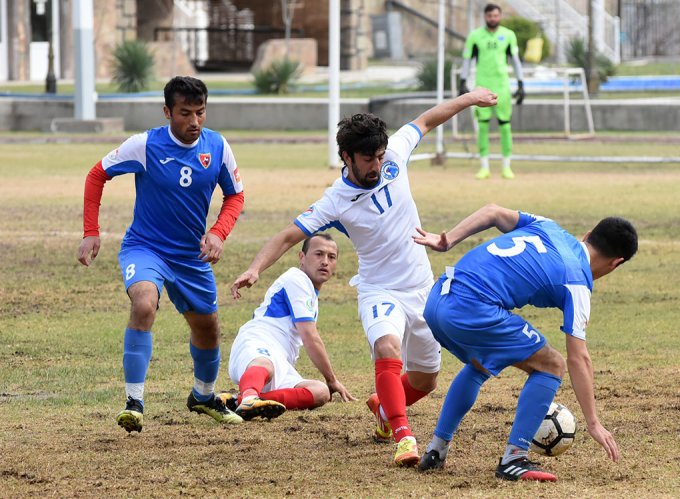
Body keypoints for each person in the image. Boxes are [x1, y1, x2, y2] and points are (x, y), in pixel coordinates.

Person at [230, 87, 498, 466]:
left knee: (425, 380)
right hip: (379, 289)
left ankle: (383, 408)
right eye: (368, 159)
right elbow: (289, 235)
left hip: (422, 288)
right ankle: (404, 437)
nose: (376, 165)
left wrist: (470, 98)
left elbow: (426, 120)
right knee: (387, 348)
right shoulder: (335, 200)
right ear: (347, 157)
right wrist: (255, 268)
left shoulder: (394, 157)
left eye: (379, 156)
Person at [412, 204, 637, 481]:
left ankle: (436, 450)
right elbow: (579, 358)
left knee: (482, 362)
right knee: (552, 365)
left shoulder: (547, 225)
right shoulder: (578, 282)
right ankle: (514, 458)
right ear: (616, 263)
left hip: (438, 299)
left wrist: (447, 240)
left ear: (588, 234)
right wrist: (594, 423)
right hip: (471, 308)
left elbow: (493, 211)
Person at [77, 76, 246, 432]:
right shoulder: (145, 145)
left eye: (200, 112)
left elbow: (235, 196)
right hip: (146, 247)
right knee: (144, 304)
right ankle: (134, 403)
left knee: (208, 329)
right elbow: (97, 174)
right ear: (167, 112)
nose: (195, 121)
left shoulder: (217, 146)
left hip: (190, 257)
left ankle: (203, 397)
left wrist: (218, 233)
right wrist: (91, 231)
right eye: (185, 113)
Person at [227, 233, 356, 420]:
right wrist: (332, 379)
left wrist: (328, 384)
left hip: (280, 360)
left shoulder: (310, 290)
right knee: (265, 365)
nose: (325, 262)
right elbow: (310, 337)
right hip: (257, 343)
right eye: (319, 254)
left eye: (331, 257)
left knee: (320, 392)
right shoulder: (296, 279)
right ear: (302, 257)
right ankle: (249, 397)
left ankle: (236, 401)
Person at [459, 3, 525, 180]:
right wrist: (462, 81)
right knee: (482, 127)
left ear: (500, 16)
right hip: (482, 87)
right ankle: (484, 167)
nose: (493, 19)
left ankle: (506, 167)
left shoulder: (508, 35)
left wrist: (521, 83)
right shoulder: (475, 36)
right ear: (485, 17)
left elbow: (515, 61)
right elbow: (467, 60)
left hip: (502, 86)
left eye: (496, 16)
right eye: (490, 16)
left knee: (505, 126)